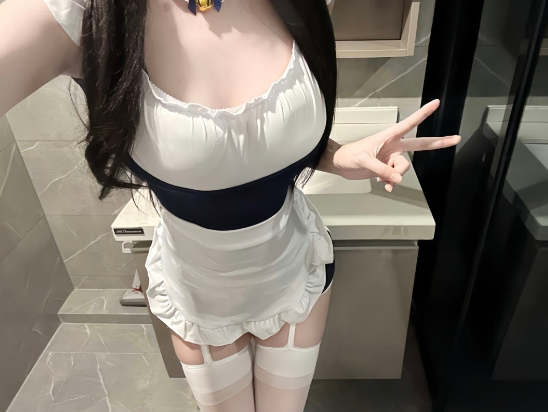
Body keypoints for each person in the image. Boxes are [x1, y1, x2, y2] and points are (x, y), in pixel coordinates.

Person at [0, 0, 460, 411]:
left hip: (294, 275)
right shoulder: (84, 13)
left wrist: (338, 157)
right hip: (199, 297)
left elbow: (269, 141)